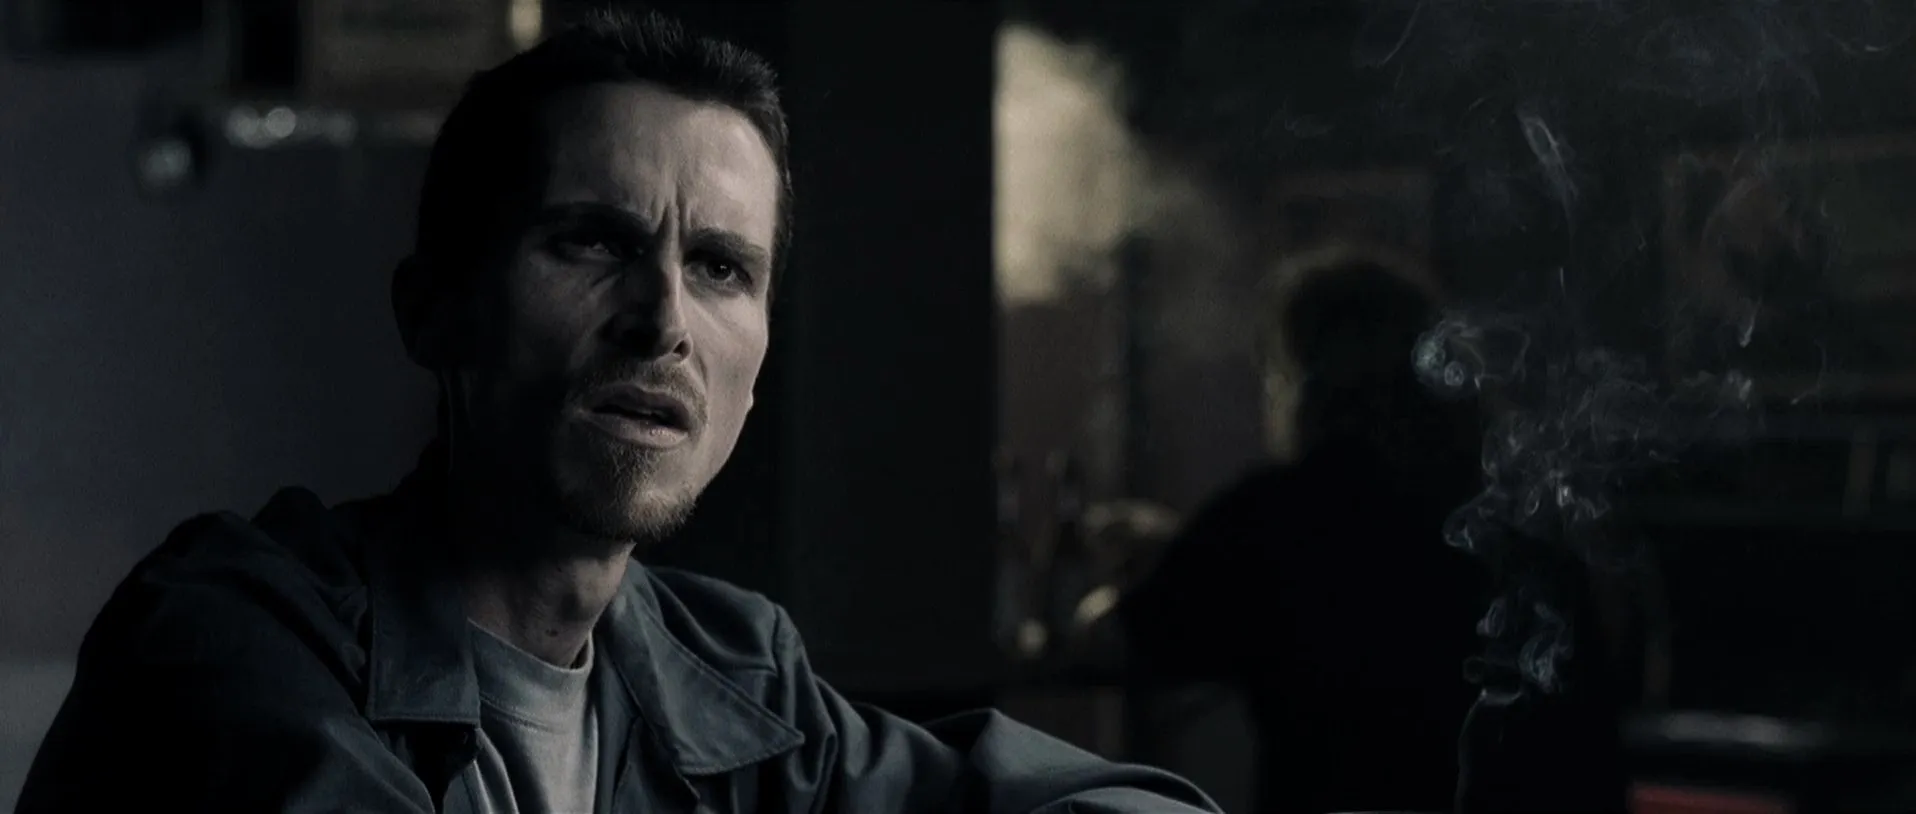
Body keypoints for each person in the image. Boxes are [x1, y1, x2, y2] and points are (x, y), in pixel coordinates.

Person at [18, 9, 1219, 814]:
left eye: (720, 267)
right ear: (434, 312)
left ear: (758, 360)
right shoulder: (233, 632)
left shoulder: (728, 671)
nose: (663, 321)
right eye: (591, 241)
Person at [1119, 260, 1490, 814]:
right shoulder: (1488, 515)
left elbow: (1137, 635)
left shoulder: (1276, 515)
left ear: (1302, 378)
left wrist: (1130, 575)